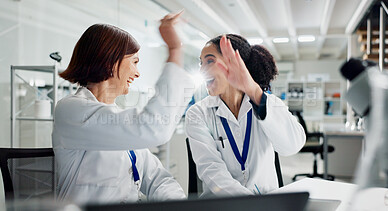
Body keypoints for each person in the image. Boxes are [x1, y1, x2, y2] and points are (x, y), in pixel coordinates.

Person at [52, 11, 195, 204]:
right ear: (110, 62)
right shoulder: (72, 110)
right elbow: (153, 128)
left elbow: (157, 179)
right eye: (134, 62)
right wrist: (175, 49)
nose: (137, 73)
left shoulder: (116, 119)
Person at [185, 34, 306, 197]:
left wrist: (255, 92)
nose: (201, 70)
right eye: (201, 63)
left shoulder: (268, 102)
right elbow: (211, 170)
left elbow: (292, 146)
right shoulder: (198, 113)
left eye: (209, 61)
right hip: (223, 205)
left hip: (266, 203)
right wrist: (250, 203)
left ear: (235, 64)